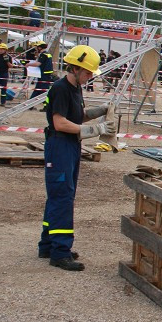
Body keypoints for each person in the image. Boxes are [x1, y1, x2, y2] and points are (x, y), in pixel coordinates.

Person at [37, 46, 116, 271]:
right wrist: (95, 130)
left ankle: (48, 244)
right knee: (62, 197)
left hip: (70, 146)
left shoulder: (75, 88)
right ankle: (60, 252)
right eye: (88, 72)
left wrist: (99, 111)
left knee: (60, 195)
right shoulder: (61, 88)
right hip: (60, 145)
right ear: (76, 67)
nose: (90, 76)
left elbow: (76, 115)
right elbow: (60, 123)